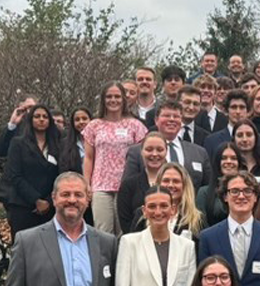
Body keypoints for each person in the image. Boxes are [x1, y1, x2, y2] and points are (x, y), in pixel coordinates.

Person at [83, 81, 148, 234]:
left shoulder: (135, 125)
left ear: (124, 99)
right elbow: (88, 157)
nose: (113, 100)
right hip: (100, 186)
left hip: (126, 185)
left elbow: (142, 157)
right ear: (103, 100)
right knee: (102, 230)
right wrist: (87, 184)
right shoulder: (94, 125)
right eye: (109, 96)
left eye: (117, 96)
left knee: (124, 232)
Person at [120, 100, 211, 190]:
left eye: (176, 116)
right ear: (156, 120)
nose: (171, 119)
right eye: (166, 116)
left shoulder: (199, 152)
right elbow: (127, 187)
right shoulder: (137, 151)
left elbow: (207, 189)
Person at [4, 104, 65, 235]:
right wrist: (36, 200)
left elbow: (61, 175)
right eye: (37, 116)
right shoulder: (18, 143)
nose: (41, 119)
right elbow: (14, 175)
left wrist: (48, 201)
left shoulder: (58, 145)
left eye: (45, 117)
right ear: (30, 120)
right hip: (23, 205)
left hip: (51, 207)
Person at [117, 132, 170, 234]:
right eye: (149, 149)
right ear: (141, 152)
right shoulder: (128, 185)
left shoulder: (175, 183)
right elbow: (125, 222)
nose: (154, 154)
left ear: (166, 152)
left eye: (160, 150)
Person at [197, 143, 242, 227]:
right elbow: (200, 224)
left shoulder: (246, 192)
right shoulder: (204, 192)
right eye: (224, 158)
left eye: (233, 158)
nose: (229, 161)